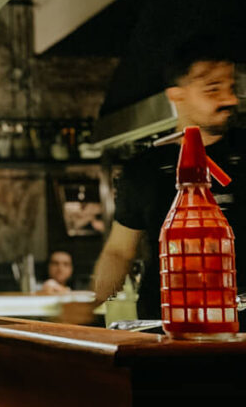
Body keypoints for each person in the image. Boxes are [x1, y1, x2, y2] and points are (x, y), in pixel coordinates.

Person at [92, 35, 245, 319]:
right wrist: (89, 305)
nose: (230, 99)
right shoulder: (144, 167)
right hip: (167, 331)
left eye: (232, 88)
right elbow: (119, 252)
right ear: (176, 95)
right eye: (213, 89)